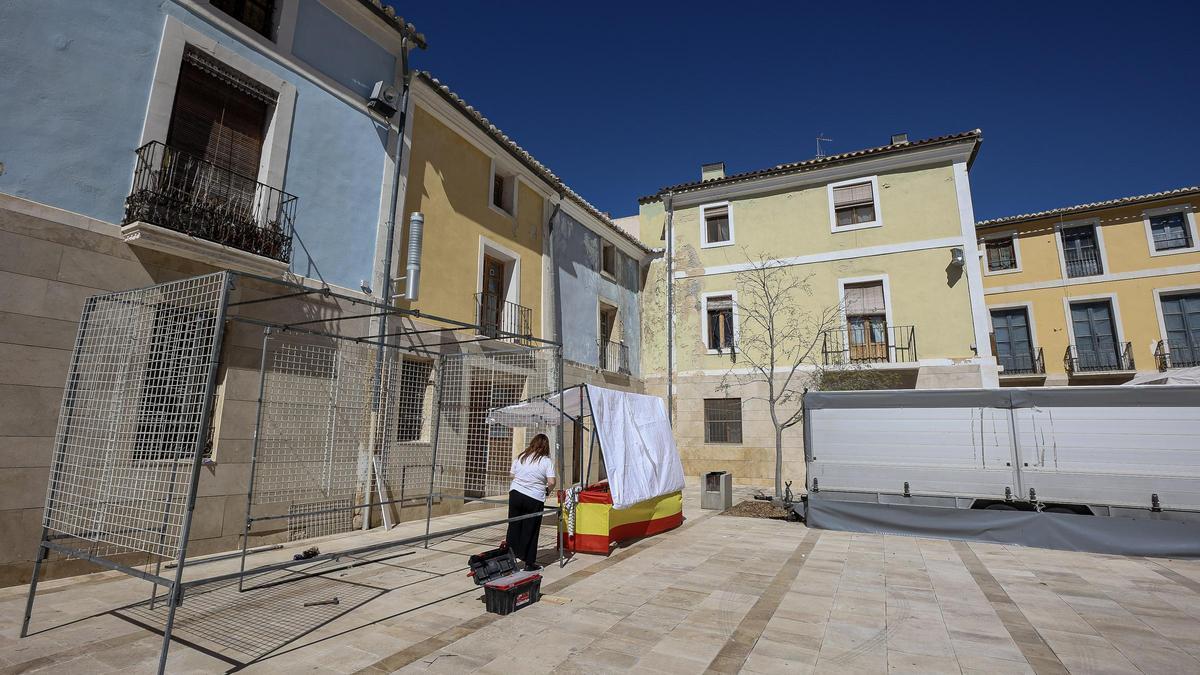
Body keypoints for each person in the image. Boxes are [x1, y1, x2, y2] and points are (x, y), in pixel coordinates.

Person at [507, 433, 555, 571]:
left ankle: (510, 561)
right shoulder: (546, 461)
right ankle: (529, 562)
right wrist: (547, 490)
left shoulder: (521, 457)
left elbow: (512, 475)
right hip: (534, 497)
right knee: (531, 529)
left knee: (514, 527)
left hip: (515, 494)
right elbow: (551, 481)